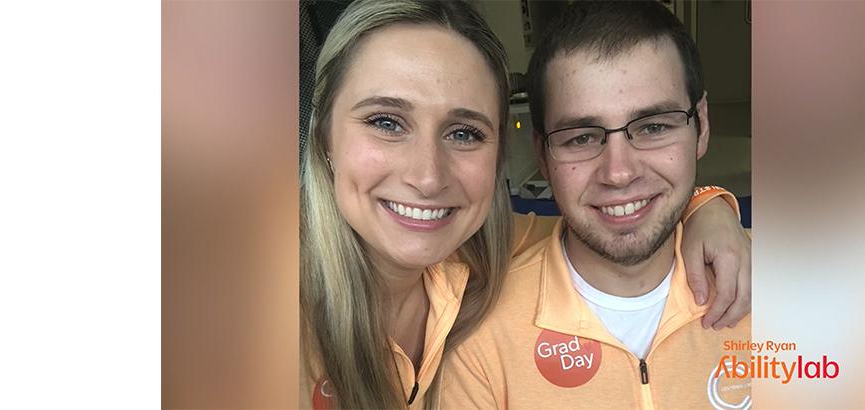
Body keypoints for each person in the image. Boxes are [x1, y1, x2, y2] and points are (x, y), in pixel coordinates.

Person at [299, 1, 749, 408]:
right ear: (324, 135)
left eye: (463, 133)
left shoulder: (488, 246)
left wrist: (706, 204)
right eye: (386, 122)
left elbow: (618, 222)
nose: (427, 176)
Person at [437, 2, 753, 409]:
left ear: (702, 126)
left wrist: (709, 202)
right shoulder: (478, 342)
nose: (619, 172)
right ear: (542, 155)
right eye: (581, 137)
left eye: (654, 127)